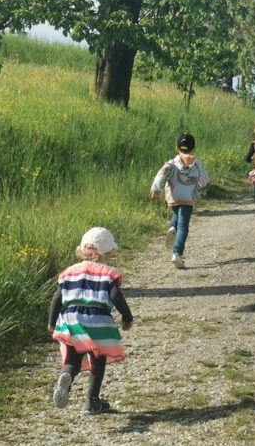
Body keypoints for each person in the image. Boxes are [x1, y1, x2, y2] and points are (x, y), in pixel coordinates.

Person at [48, 227, 133, 413]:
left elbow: (57, 298)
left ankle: (66, 376)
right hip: (98, 320)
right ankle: (92, 401)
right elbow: (117, 296)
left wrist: (52, 322)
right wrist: (127, 318)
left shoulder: (69, 271)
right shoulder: (109, 272)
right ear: (109, 252)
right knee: (98, 360)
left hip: (71, 319)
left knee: (72, 359)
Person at [152, 133, 210, 269]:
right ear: (193, 148)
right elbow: (204, 181)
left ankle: (173, 227)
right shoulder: (197, 163)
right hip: (188, 197)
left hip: (174, 196)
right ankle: (177, 253)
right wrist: (199, 186)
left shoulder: (172, 163)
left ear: (177, 148)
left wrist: (156, 188)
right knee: (184, 226)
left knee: (177, 213)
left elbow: (161, 174)